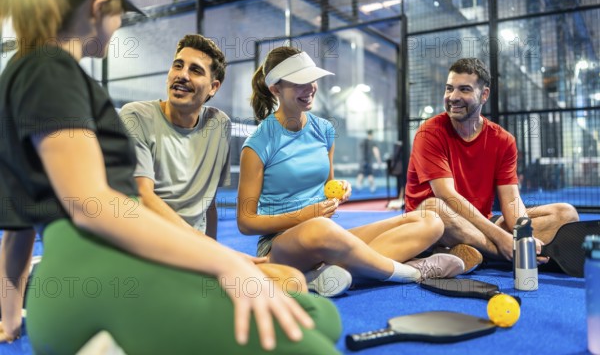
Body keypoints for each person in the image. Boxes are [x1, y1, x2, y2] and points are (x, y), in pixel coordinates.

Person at [0, 0, 342, 353]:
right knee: (313, 344)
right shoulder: (50, 70)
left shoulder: (23, 75)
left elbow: (17, 228)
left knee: (320, 317)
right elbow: (93, 205)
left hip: (82, 288)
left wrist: (10, 321)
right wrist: (223, 262)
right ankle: (108, 340)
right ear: (98, 9)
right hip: (107, 280)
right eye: (119, 15)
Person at [237, 47, 477, 298]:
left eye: (312, 80)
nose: (309, 88)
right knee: (320, 227)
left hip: (327, 235)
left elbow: (326, 190)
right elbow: (246, 222)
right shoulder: (258, 143)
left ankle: (320, 275)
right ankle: (413, 272)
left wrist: (337, 191)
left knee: (430, 221)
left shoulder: (324, 130)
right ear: (276, 88)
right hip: (281, 246)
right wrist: (304, 216)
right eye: (299, 83)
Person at [119, 34, 307, 294]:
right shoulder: (135, 116)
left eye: (195, 70)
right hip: (146, 252)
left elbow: (210, 204)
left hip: (194, 255)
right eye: (178, 65)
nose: (182, 75)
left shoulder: (219, 125)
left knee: (291, 282)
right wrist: (217, 254)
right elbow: (143, 197)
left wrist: (215, 260)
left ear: (213, 87)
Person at [404, 58, 579, 262]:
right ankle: (504, 252)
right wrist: (502, 239)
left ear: (484, 94)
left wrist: (522, 235)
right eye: (449, 88)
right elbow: (446, 196)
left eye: (464, 90)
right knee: (434, 208)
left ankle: (478, 251)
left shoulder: (503, 140)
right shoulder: (429, 132)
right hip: (437, 224)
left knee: (566, 214)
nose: (453, 97)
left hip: (478, 223)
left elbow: (512, 201)